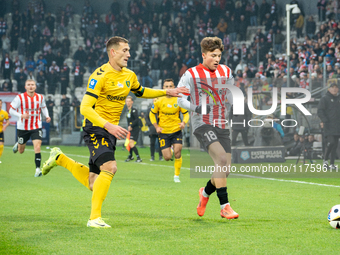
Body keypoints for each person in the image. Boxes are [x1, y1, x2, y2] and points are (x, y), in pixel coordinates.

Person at [40, 36, 188, 228]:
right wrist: (108, 125)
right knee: (110, 167)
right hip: (95, 127)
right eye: (125, 50)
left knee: (94, 182)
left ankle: (60, 158)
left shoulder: (129, 75)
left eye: (129, 50)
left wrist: (166, 92)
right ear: (113, 52)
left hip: (109, 131)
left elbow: (141, 91)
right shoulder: (99, 75)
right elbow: (85, 108)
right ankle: (94, 218)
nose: (129, 54)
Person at [177, 36, 239, 219]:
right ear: (203, 55)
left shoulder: (226, 71)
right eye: (213, 55)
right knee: (220, 159)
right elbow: (180, 99)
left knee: (224, 169)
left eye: (219, 55)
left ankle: (204, 193)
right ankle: (225, 206)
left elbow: (231, 93)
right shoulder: (191, 74)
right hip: (202, 123)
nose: (217, 59)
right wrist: (196, 107)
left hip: (221, 123)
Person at [150, 78, 189, 182]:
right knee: (167, 157)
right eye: (166, 86)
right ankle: (170, 149)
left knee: (178, 152)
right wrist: (156, 126)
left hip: (176, 130)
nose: (168, 88)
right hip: (163, 132)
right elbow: (152, 114)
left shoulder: (179, 99)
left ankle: (176, 176)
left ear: (174, 87)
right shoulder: (158, 100)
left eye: (170, 86)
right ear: (163, 88)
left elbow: (186, 113)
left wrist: (183, 123)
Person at [9, 79, 51, 177]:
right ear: (25, 87)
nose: (31, 86)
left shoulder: (40, 97)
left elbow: (44, 107)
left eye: (32, 85)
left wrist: (47, 116)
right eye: (28, 85)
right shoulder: (20, 98)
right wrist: (21, 115)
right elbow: (11, 110)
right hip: (23, 127)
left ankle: (37, 170)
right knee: (21, 151)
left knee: (37, 147)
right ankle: (18, 144)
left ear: (35, 86)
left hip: (36, 125)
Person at [317, 82, 340, 171]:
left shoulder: (338, 99)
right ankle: (325, 160)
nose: (334, 89)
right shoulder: (325, 99)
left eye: (336, 87)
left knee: (335, 145)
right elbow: (320, 111)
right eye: (332, 87)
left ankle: (332, 164)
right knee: (331, 142)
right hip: (329, 125)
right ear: (329, 89)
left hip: (337, 125)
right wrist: (325, 120)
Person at [125, 96, 142, 162]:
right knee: (129, 143)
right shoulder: (127, 111)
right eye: (127, 101)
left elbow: (137, 119)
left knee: (131, 143)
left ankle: (138, 158)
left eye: (129, 101)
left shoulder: (134, 110)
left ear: (132, 102)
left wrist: (131, 125)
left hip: (135, 129)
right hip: (130, 129)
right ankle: (130, 156)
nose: (128, 102)